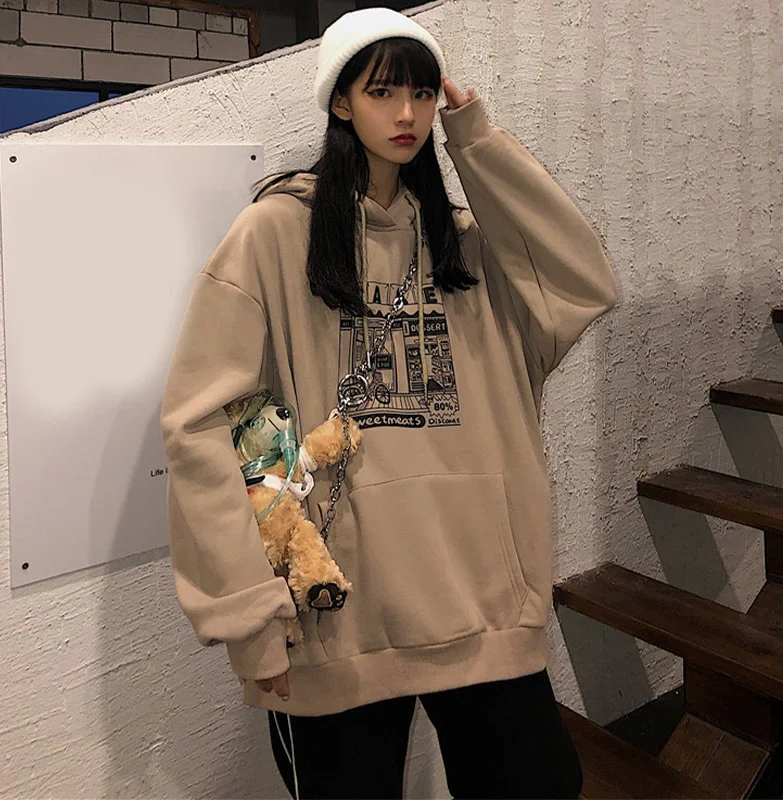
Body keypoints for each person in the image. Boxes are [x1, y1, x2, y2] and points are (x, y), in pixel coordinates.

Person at [160, 7, 617, 800]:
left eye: (422, 93)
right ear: (340, 101)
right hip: (340, 618)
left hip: (482, 604)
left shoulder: (465, 246)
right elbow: (211, 425)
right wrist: (248, 617)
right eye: (382, 92)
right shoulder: (275, 235)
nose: (408, 113)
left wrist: (476, 140)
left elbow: (581, 282)